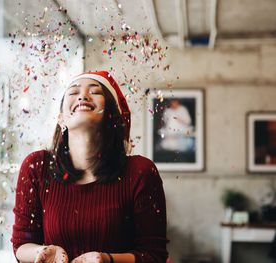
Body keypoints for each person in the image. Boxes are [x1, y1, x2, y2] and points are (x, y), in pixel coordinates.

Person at [11, 71, 168, 263]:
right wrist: (41, 253)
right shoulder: (36, 167)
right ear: (61, 118)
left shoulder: (140, 172)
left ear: (112, 114)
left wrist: (107, 260)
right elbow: (21, 244)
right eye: (73, 92)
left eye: (95, 92)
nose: (83, 95)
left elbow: (154, 255)